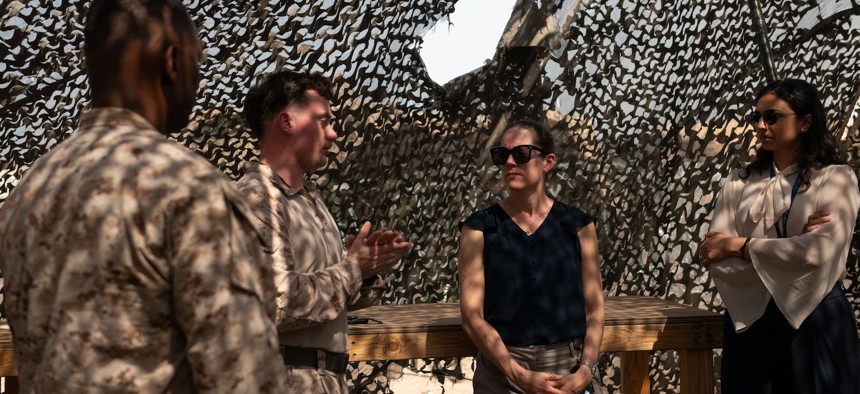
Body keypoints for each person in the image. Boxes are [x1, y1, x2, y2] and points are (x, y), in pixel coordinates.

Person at [0, 0, 290, 392]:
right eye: (196, 60)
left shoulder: (30, 191)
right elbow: (246, 379)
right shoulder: (187, 189)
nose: (198, 76)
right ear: (172, 62)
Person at [236, 70, 414, 393]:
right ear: (288, 123)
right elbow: (279, 302)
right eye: (323, 121)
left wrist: (367, 270)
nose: (333, 133)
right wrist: (352, 268)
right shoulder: (257, 197)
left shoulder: (309, 199)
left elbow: (331, 301)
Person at [699, 78, 860, 393]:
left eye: (772, 117)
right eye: (756, 117)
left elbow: (818, 253)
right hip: (749, 318)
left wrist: (738, 245)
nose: (760, 125)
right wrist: (793, 247)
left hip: (815, 318)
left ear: (805, 122)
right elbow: (712, 255)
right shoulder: (738, 182)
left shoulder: (836, 179)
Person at [458, 119, 605, 394]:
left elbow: (595, 307)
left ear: (548, 161)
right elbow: (471, 316)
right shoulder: (478, 228)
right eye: (501, 156)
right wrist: (518, 373)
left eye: (521, 154)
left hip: (569, 371)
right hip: (502, 373)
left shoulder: (579, 226)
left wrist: (585, 370)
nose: (510, 163)